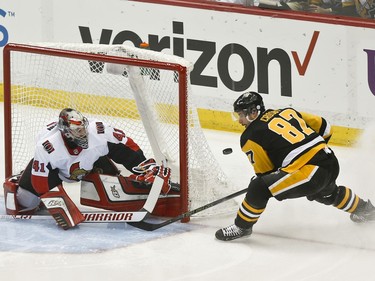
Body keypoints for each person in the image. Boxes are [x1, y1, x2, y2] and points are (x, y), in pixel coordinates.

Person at [215, 91, 375, 241]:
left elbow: (266, 173)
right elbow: (326, 128)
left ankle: (242, 227)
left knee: (258, 187)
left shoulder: (250, 136)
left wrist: (271, 176)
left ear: (253, 112)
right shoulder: (286, 112)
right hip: (329, 160)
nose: (240, 120)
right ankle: (366, 210)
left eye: (241, 115)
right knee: (326, 192)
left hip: (311, 173)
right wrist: (312, 152)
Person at [3, 108, 172, 229]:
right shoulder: (48, 146)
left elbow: (126, 146)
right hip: (55, 173)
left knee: (113, 185)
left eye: (83, 127)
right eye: (77, 131)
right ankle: (18, 180)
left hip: (89, 164)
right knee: (25, 203)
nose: (83, 133)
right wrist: (59, 203)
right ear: (66, 132)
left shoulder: (98, 130)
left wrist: (146, 167)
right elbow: (40, 182)